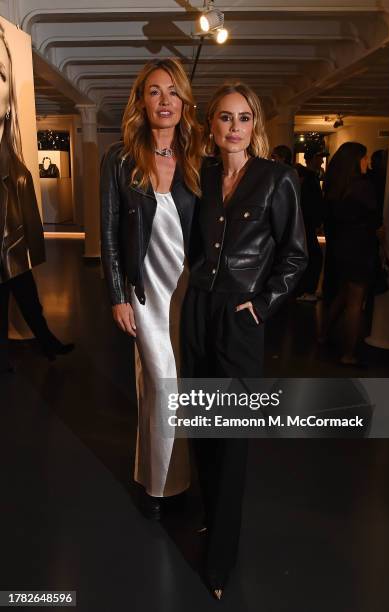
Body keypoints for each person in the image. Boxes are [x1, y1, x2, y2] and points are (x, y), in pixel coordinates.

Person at [182, 82, 308, 598]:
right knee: (202, 423)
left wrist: (263, 302)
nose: (234, 128)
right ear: (211, 127)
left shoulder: (277, 179)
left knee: (232, 434)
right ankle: (212, 519)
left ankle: (220, 562)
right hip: (198, 309)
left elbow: (297, 254)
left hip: (241, 313)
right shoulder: (203, 176)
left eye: (243, 118)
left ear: (255, 125)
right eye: (224, 119)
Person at [100, 58, 201, 520]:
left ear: (185, 101)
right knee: (160, 387)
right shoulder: (119, 159)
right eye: (155, 91)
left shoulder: (202, 156)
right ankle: (158, 487)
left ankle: (177, 480)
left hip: (190, 291)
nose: (165, 101)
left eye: (173, 92)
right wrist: (118, 294)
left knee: (187, 389)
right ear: (141, 99)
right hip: (145, 293)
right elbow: (109, 231)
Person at [0, 24, 74, 374]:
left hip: (13, 251)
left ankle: (49, 344)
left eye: (0, 75)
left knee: (30, 302)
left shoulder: (11, 155)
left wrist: (30, 248)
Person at [320, 142, 379, 365]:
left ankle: (323, 334)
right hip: (359, 248)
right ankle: (349, 353)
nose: (368, 162)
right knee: (355, 301)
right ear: (355, 161)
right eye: (364, 158)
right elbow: (372, 219)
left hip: (342, 247)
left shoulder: (335, 186)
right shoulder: (362, 187)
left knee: (345, 294)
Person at [295, 144, 325, 302]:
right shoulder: (308, 178)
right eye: (319, 157)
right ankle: (305, 290)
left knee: (313, 256)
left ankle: (304, 290)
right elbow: (309, 203)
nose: (321, 160)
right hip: (306, 224)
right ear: (312, 159)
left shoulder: (309, 177)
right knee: (313, 257)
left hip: (306, 224)